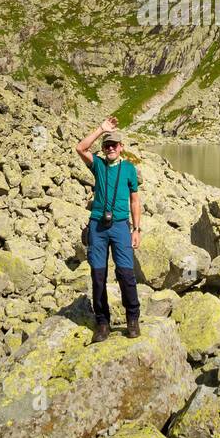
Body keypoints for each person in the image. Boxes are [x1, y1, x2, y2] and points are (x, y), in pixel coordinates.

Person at [74, 116, 142, 341]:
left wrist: (137, 229)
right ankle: (102, 323)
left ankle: (133, 319)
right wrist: (101, 129)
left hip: (121, 226)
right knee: (98, 275)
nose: (110, 148)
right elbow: (80, 147)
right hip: (98, 226)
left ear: (121, 147)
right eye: (107, 145)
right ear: (103, 148)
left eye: (114, 144)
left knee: (126, 273)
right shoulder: (98, 165)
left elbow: (135, 200)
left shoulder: (130, 169)